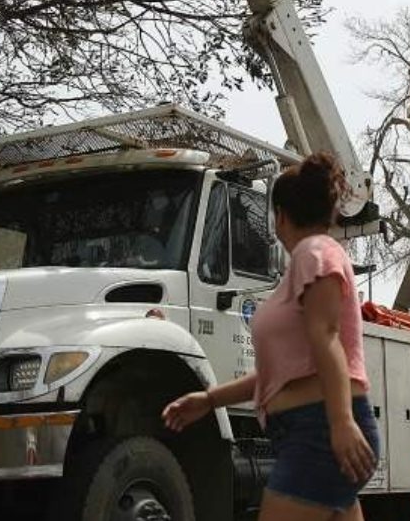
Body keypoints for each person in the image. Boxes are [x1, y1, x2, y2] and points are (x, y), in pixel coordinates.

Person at [162, 153, 378, 521]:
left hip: (320, 431)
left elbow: (327, 338)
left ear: (278, 215)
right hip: (309, 430)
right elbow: (278, 375)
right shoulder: (301, 269)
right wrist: (209, 399)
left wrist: (340, 421)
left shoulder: (315, 252)